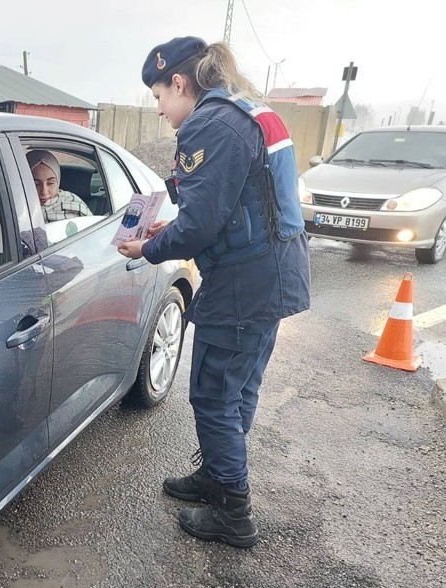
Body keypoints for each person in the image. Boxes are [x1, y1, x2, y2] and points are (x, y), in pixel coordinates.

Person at [118, 36, 311, 548]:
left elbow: (201, 224)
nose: (160, 110)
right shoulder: (245, 109)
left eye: (158, 97)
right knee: (239, 387)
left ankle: (233, 513)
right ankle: (217, 477)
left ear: (179, 83)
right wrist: (171, 231)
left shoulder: (210, 122)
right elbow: (229, 206)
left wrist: (149, 248)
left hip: (245, 280)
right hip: (270, 269)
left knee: (213, 393)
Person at [26, 150, 92, 222]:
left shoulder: (73, 203)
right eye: (36, 184)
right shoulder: (18, 208)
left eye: (50, 183)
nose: (44, 191)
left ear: (58, 181)